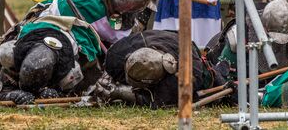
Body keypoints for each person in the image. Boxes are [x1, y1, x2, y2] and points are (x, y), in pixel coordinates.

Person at [0, 0, 162, 101]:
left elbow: (125, 41)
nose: (123, 9)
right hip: (46, 23)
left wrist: (148, 5)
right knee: (8, 49)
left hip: (76, 44)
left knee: (80, 77)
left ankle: (44, 89)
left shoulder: (120, 22)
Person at [94, 30, 228, 108]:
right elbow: (110, 64)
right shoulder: (119, 52)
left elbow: (157, 100)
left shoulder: (186, 78)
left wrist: (119, 92)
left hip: (197, 69)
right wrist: (106, 78)